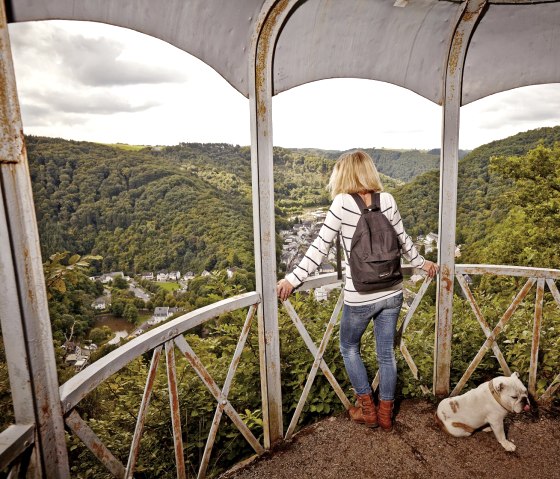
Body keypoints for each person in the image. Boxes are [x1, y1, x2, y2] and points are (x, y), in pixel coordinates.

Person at [277, 150, 438, 431]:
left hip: (360, 295)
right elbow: (404, 240)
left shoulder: (341, 203)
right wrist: (422, 263)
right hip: (392, 290)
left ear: (344, 174)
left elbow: (319, 248)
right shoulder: (387, 199)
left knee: (349, 347)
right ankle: (386, 415)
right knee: (386, 353)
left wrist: (292, 279)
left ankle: (368, 411)